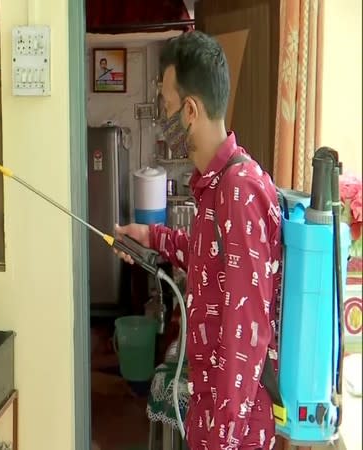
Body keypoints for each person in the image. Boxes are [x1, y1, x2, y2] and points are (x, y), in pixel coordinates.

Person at [115, 31, 282, 450]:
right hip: (211, 412)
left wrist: (220, 439)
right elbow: (206, 257)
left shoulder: (238, 192)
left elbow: (246, 332)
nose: (162, 120)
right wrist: (151, 237)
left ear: (190, 110)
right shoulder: (217, 186)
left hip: (233, 431)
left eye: (166, 108)